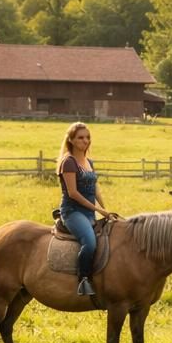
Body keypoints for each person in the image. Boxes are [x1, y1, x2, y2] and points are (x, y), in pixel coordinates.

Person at [56, 122, 116, 296]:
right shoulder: (68, 162)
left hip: (89, 212)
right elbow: (73, 193)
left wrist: (106, 210)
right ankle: (83, 280)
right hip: (73, 211)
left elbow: (95, 189)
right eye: (80, 138)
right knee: (89, 243)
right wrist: (99, 210)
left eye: (88, 137)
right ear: (71, 140)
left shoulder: (89, 162)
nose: (85, 141)